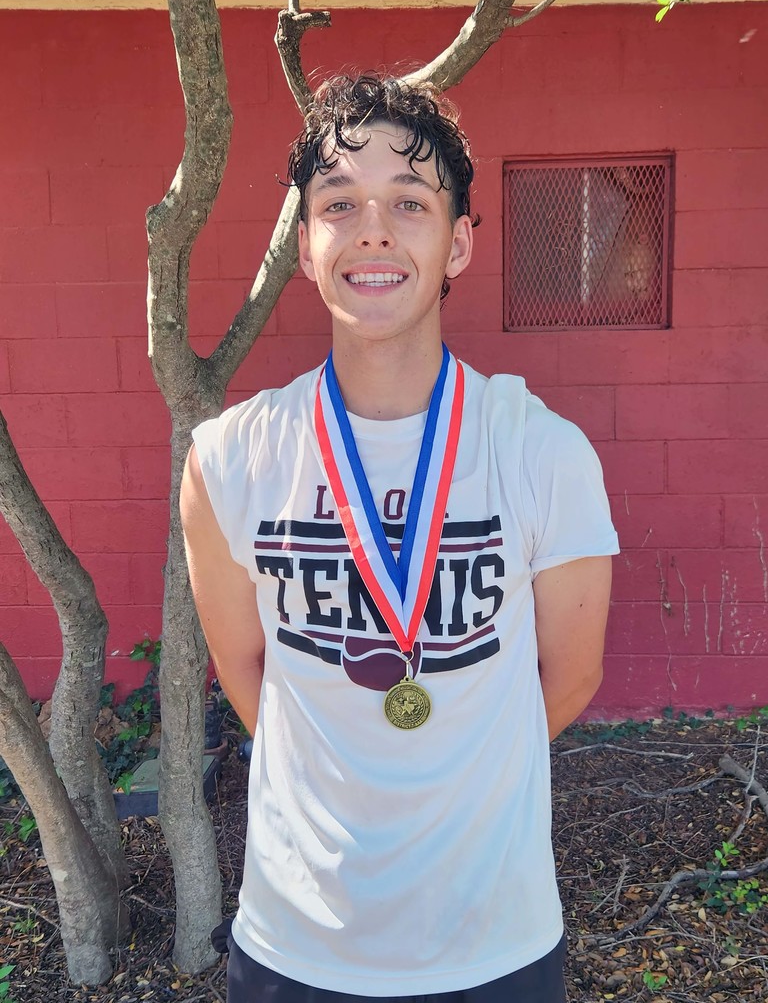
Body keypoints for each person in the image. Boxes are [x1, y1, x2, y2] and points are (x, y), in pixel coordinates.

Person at [181, 73, 619, 1003]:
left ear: (459, 241)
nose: (372, 229)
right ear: (307, 247)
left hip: (495, 944)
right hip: (296, 946)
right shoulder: (228, 460)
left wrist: (456, 777)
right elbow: (246, 671)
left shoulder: (545, 455)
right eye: (340, 204)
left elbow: (571, 676)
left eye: (409, 204)